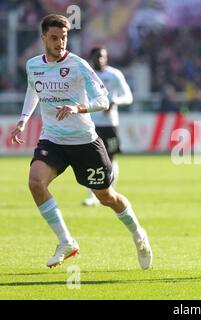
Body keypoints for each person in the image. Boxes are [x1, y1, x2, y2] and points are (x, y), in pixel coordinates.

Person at [9, 14, 152, 269]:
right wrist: (22, 120)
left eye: (63, 37)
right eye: (54, 38)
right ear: (43, 38)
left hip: (84, 141)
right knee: (35, 182)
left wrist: (78, 108)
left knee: (107, 197)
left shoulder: (78, 65)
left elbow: (104, 100)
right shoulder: (33, 65)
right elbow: (34, 90)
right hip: (53, 138)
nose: (60, 42)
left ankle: (138, 234)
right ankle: (66, 241)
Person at [82, 46, 133, 206]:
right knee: (90, 160)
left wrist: (115, 102)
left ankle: (111, 190)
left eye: (103, 56)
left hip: (110, 124)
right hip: (90, 123)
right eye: (97, 56)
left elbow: (128, 96)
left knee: (111, 159)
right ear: (91, 58)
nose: (100, 59)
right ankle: (92, 196)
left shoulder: (114, 74)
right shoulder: (86, 75)